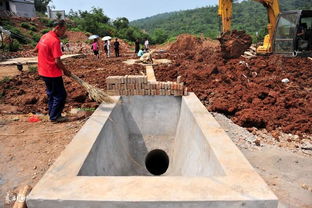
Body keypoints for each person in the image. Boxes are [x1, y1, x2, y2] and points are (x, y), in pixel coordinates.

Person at [34, 20, 71, 123]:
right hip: (52, 73)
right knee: (61, 95)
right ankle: (55, 117)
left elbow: (35, 50)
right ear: (57, 27)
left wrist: (45, 49)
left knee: (51, 94)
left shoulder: (44, 36)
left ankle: (52, 114)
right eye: (63, 30)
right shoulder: (55, 40)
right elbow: (57, 61)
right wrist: (66, 70)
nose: (64, 33)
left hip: (43, 71)